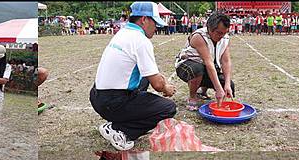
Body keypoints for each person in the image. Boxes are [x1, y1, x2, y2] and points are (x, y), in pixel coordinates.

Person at [91, 1, 177, 151]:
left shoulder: (123, 33)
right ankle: (121, 130)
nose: (156, 27)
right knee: (168, 108)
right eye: (155, 22)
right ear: (144, 19)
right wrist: (166, 88)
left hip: (97, 96)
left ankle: (118, 121)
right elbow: (157, 84)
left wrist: (159, 79)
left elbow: (150, 75)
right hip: (112, 103)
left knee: (145, 78)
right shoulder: (141, 40)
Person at [175, 12, 234, 111]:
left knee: (229, 86)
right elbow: (208, 62)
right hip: (186, 66)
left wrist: (227, 84)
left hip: (206, 66)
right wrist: (218, 89)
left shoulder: (225, 38)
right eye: (219, 33)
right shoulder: (199, 36)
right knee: (198, 69)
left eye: (225, 32)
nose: (222, 36)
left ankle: (202, 92)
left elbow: (226, 61)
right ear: (209, 29)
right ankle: (192, 96)